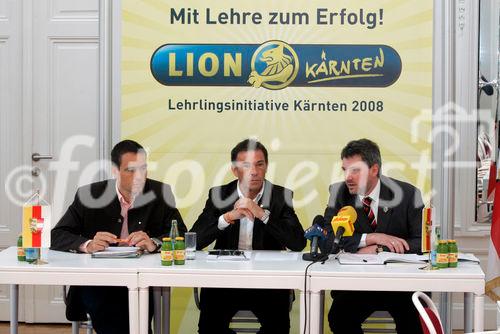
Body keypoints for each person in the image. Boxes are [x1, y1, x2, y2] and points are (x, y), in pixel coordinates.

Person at [51, 139, 186, 334]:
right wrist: (87, 244)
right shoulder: (90, 194)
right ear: (115, 170)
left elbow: (180, 233)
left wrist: (154, 243)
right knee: (114, 315)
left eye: (143, 168)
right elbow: (57, 235)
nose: (139, 176)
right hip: (99, 280)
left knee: (135, 311)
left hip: (141, 280)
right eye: (131, 170)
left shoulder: (160, 193)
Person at [191, 139, 305, 334]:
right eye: (246, 166)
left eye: (259, 165)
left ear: (266, 167)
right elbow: (195, 240)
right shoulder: (219, 195)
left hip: (268, 281)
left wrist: (262, 214)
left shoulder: (280, 196)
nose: (254, 172)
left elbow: (298, 242)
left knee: (277, 329)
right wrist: (227, 217)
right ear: (235, 171)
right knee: (210, 328)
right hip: (225, 280)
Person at [321, 138, 424, 334]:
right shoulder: (339, 193)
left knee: (413, 321)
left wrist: (380, 250)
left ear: (374, 169)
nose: (348, 177)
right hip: (358, 286)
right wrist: (371, 238)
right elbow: (328, 241)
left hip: (400, 285)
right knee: (339, 317)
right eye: (345, 170)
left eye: (355, 170)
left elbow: (423, 243)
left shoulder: (408, 194)